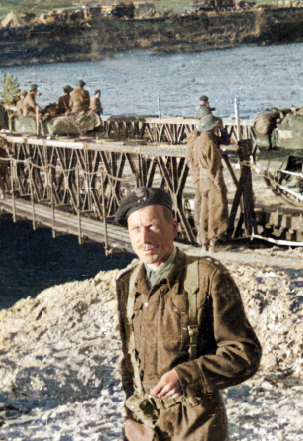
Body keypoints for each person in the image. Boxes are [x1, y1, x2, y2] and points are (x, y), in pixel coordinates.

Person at [114, 187, 261, 441]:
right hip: (145, 429)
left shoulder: (208, 276)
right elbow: (129, 360)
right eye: (135, 229)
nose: (144, 238)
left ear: (174, 227)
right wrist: (131, 417)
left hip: (197, 428)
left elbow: (244, 353)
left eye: (152, 226)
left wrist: (186, 377)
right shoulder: (127, 284)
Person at [190, 114, 229, 252]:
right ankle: (213, 242)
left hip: (202, 180)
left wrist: (196, 178)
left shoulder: (197, 141)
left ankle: (203, 243)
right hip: (212, 180)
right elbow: (214, 165)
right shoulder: (210, 144)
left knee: (204, 212)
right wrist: (218, 184)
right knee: (216, 210)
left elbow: (193, 162)